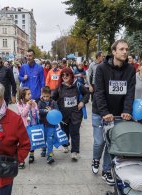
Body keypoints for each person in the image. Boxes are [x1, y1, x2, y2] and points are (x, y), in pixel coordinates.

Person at [92, 39, 135, 184]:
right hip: (100, 113)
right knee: (99, 142)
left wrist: (127, 110)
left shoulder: (130, 70)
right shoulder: (101, 69)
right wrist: (104, 112)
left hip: (118, 114)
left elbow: (130, 92)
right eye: (121, 49)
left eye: (126, 49)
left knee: (112, 144)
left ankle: (106, 171)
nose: (125, 52)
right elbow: (99, 92)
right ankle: (96, 159)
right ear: (114, 52)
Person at [52, 67, 90, 161]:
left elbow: (87, 93)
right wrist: (46, 100)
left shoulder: (77, 84)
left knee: (75, 132)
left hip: (75, 114)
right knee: (65, 132)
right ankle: (65, 145)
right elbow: (53, 98)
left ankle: (74, 152)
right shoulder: (59, 86)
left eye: (67, 75)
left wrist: (82, 102)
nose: (65, 76)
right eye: (63, 75)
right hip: (63, 115)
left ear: (71, 75)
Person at [16, 87, 38, 168]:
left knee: (32, 142)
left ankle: (31, 155)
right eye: (28, 94)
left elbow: (35, 116)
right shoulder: (19, 104)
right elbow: (23, 114)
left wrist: (33, 107)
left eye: (30, 93)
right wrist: (28, 105)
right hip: (23, 127)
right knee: (22, 144)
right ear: (22, 95)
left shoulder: (34, 102)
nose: (30, 95)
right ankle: (21, 160)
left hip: (32, 125)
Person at [38, 86, 59, 164]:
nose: (45, 98)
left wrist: (52, 111)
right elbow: (38, 111)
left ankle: (49, 155)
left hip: (51, 125)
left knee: (49, 140)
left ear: (50, 95)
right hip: (42, 124)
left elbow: (57, 111)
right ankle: (44, 149)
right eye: (44, 96)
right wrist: (45, 111)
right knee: (43, 138)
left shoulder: (53, 102)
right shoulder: (40, 102)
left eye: (47, 96)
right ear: (42, 95)